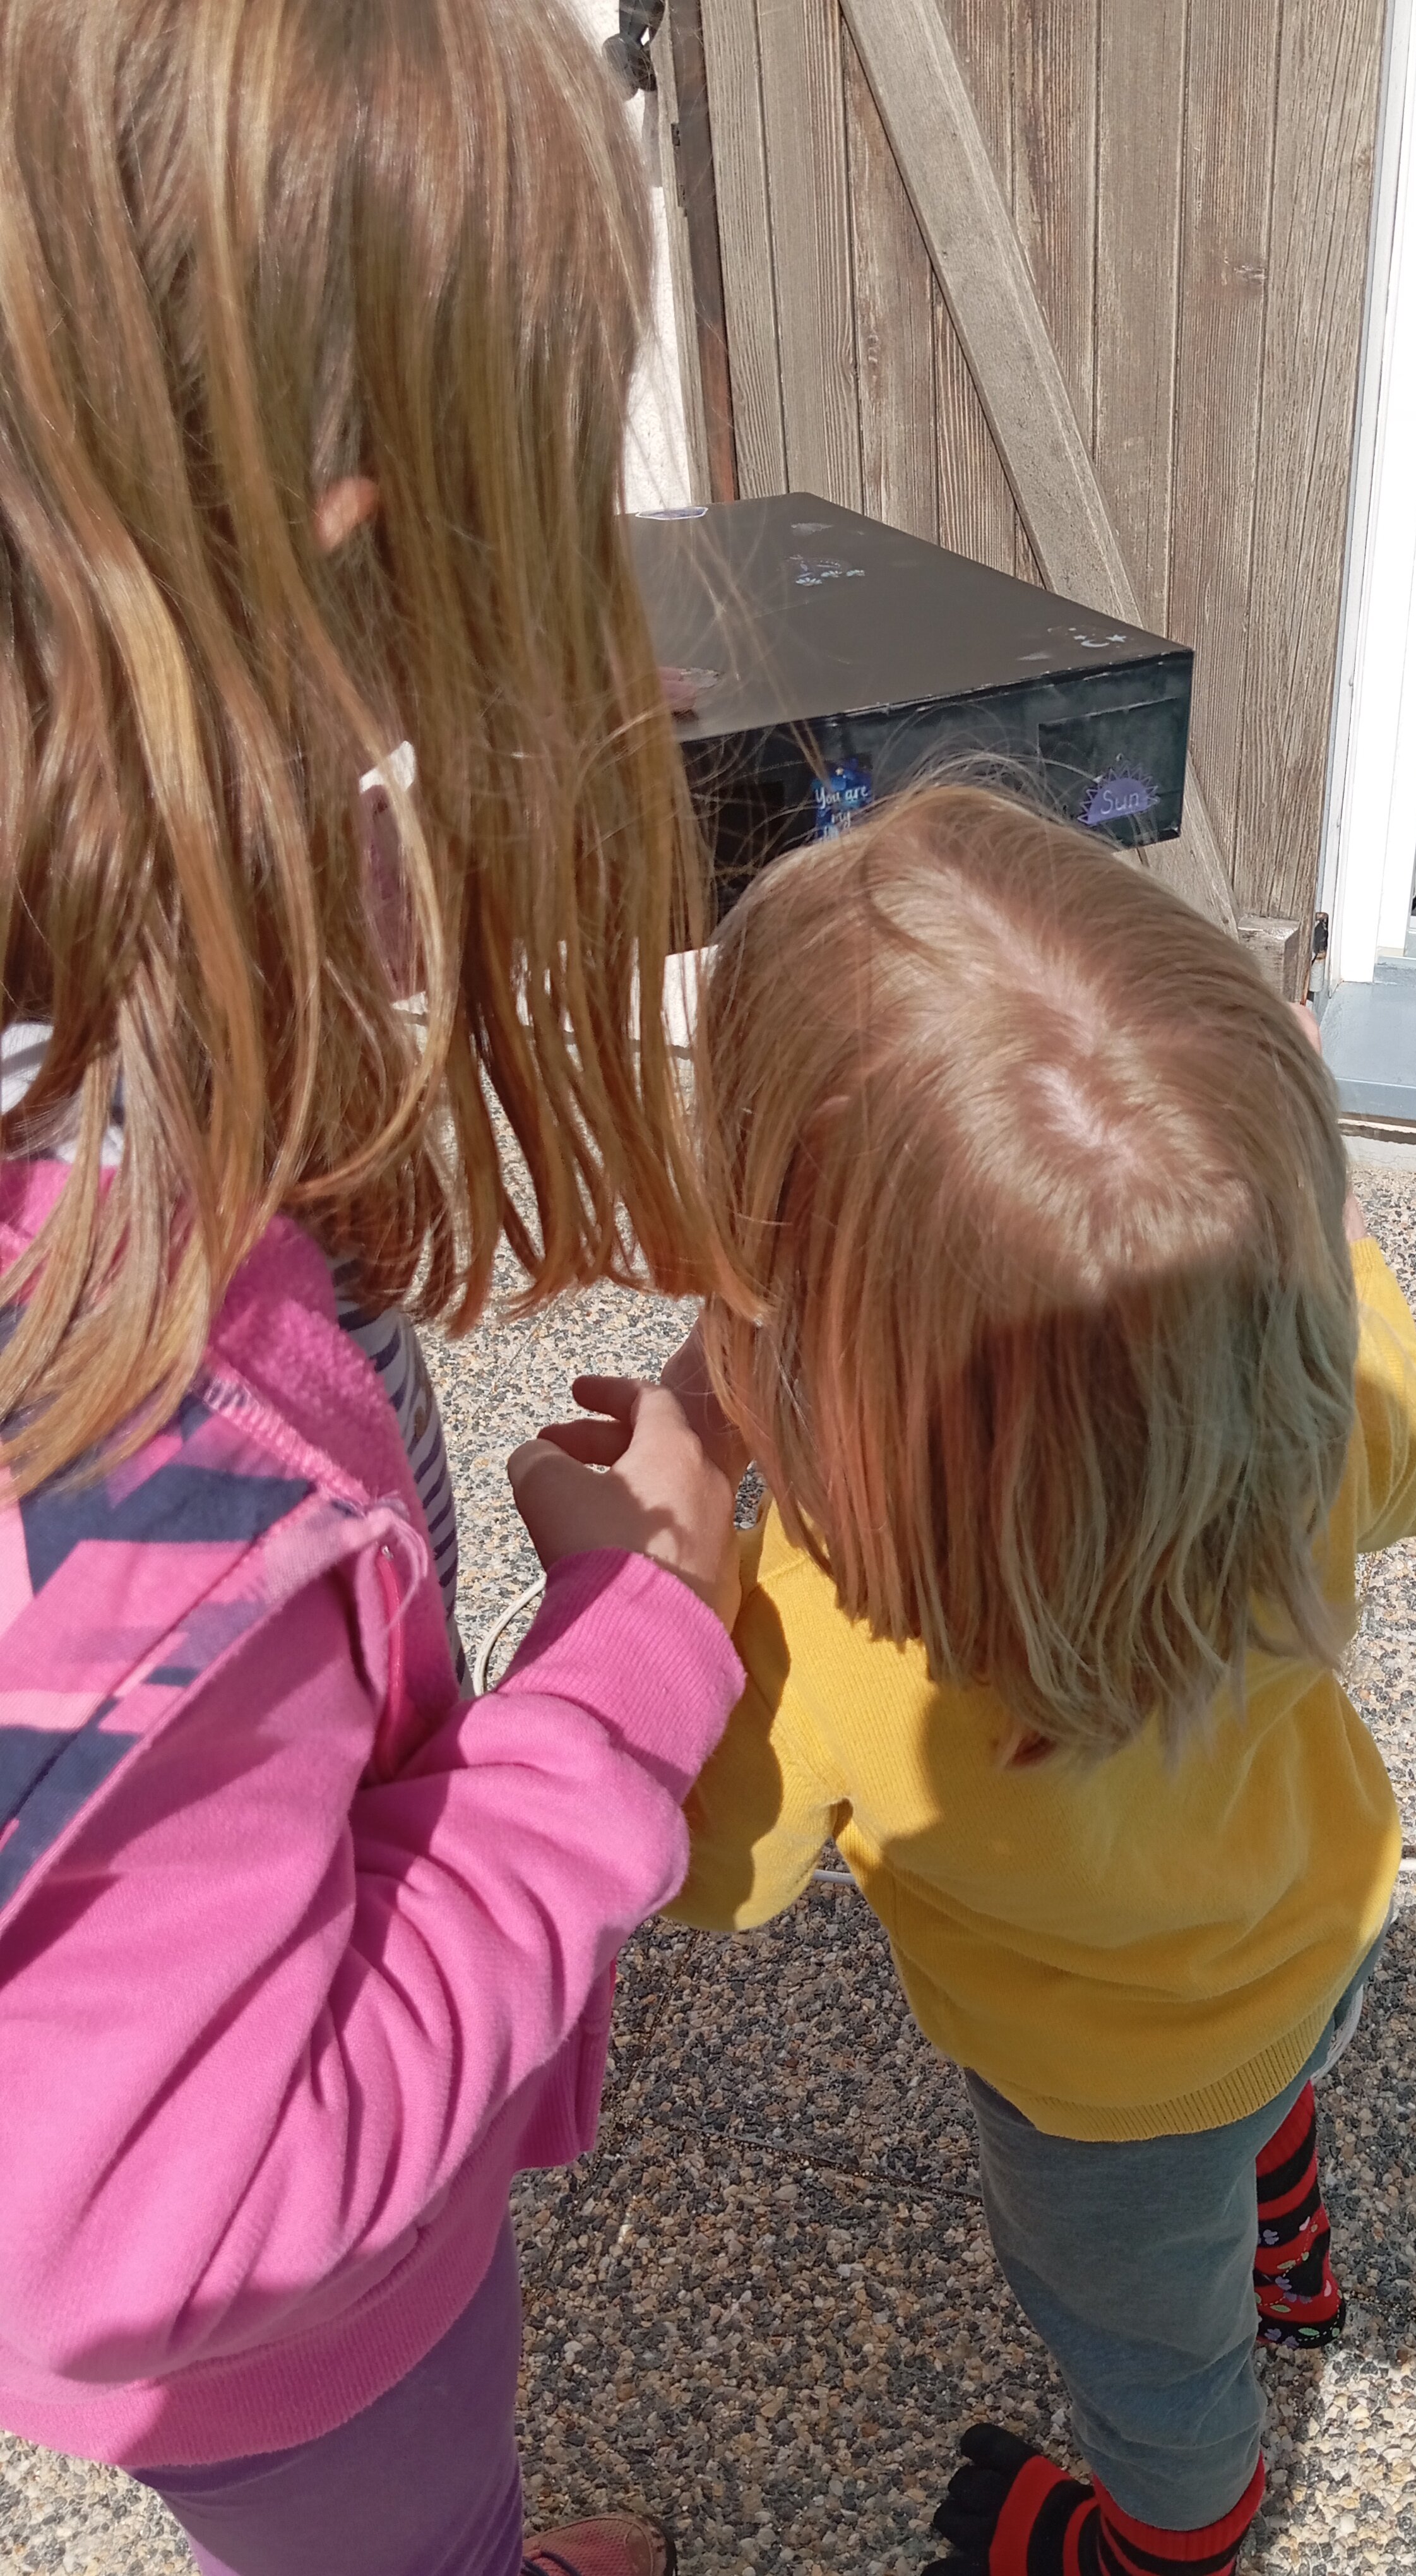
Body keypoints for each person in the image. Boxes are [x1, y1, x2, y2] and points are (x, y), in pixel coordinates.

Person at [0, 4, 746, 2572]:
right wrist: (631, 1660)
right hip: (303, 2365)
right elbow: (208, 2216)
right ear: (355, 539)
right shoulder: (140, 1472)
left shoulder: (87, 965)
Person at [658, 784, 1416, 2576]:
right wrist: (1297, 1255)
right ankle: (1287, 2230)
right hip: (1317, 1943)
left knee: (1150, 2355)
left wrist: (678, 1568)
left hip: (1094, 2108)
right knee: (1264, 2104)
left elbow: (714, 1880)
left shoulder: (820, 1625)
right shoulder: (1324, 1411)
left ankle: (1169, 2540)